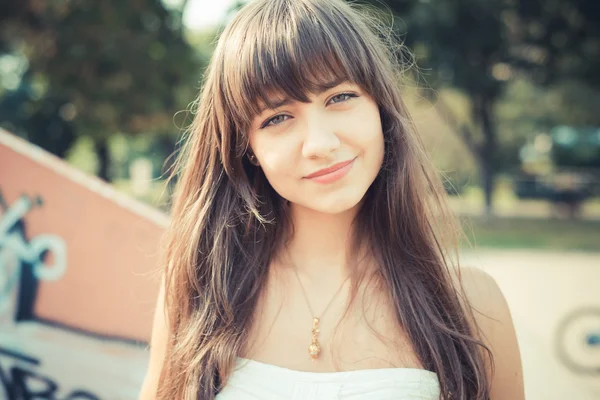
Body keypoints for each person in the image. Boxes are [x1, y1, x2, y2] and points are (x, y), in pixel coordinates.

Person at [139, 0, 524, 399]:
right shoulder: (202, 291)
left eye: (339, 97)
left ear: (380, 107)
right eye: (277, 118)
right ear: (246, 147)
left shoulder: (471, 303)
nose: (320, 144)